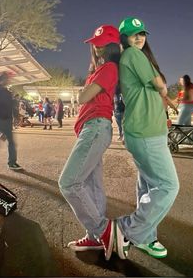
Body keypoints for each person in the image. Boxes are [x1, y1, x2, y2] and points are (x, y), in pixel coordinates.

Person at [114, 17, 179, 260]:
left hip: (150, 130)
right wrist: (162, 88)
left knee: (149, 186)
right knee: (168, 186)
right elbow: (159, 84)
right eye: (133, 34)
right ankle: (127, 229)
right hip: (145, 132)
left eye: (141, 33)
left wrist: (165, 96)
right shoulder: (132, 55)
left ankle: (146, 237)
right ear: (125, 38)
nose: (139, 37)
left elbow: (160, 90)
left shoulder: (138, 56)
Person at [58, 25, 121, 261]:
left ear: (112, 46)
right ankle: (95, 236)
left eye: (103, 43)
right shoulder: (99, 69)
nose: (97, 47)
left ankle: (104, 230)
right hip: (91, 128)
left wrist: (85, 90)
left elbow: (84, 96)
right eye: (95, 43)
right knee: (91, 186)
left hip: (95, 128)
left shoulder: (109, 68)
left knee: (68, 183)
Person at [0, 72, 22, 170]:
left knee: (6, 139)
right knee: (11, 142)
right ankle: (12, 163)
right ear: (3, 80)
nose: (9, 81)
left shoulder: (5, 91)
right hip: (4, 119)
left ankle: (12, 162)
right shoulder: (5, 92)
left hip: (4, 119)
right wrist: (16, 117)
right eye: (8, 79)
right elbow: (10, 106)